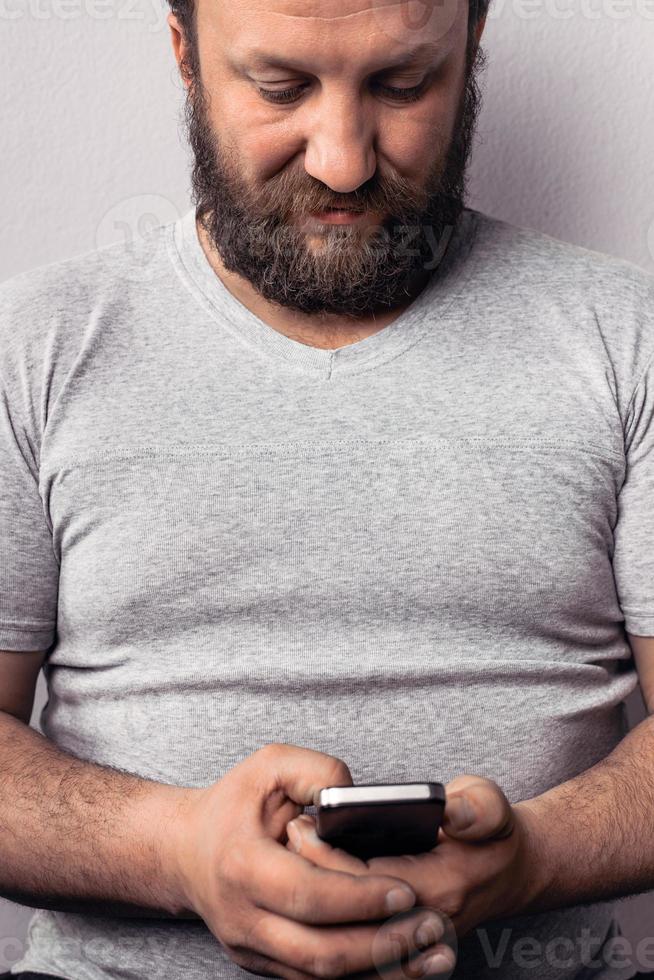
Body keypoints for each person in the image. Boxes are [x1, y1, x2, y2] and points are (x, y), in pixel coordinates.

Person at [1, 0, 653, 978]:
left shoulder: (627, 333)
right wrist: (176, 849)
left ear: (471, 47)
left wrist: (535, 858)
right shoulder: (34, 345)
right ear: (186, 56)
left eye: (403, 85)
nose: (342, 160)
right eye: (281, 87)